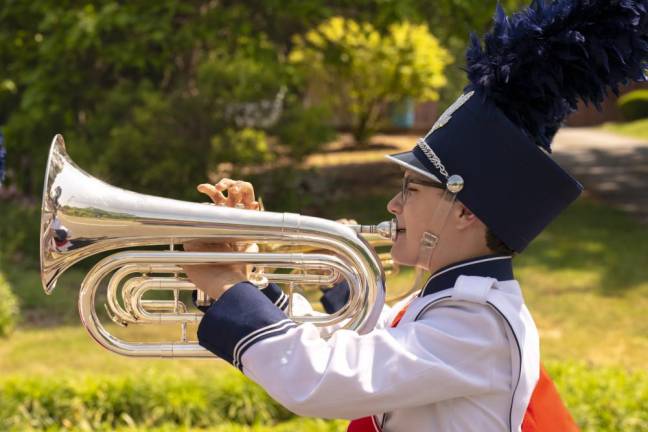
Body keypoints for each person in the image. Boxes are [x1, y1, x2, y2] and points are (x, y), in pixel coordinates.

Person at [184, 1, 648, 430]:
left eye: (410, 189)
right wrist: (251, 272)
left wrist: (227, 284)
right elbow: (358, 345)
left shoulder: (478, 322)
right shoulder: (446, 303)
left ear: (464, 210)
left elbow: (327, 379)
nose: (393, 205)